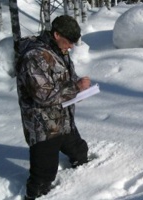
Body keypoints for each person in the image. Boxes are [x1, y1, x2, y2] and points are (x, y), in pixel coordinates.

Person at [15, 15, 91, 200]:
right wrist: (76, 88)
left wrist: (79, 85)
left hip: (63, 118)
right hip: (43, 126)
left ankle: (86, 173)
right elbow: (43, 95)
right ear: (56, 34)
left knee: (80, 151)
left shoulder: (59, 50)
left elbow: (65, 78)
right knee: (43, 176)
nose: (71, 46)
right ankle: (34, 196)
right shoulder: (34, 57)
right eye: (69, 41)